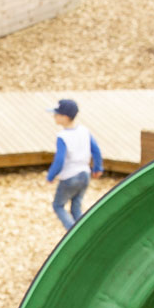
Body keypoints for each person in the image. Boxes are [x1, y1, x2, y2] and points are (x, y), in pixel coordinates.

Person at [46, 97, 104, 232]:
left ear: (65, 117)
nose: (54, 116)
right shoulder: (84, 131)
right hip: (85, 174)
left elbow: (59, 160)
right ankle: (85, 233)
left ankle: (72, 234)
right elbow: (96, 150)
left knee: (58, 206)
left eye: (56, 114)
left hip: (69, 176)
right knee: (76, 206)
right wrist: (97, 168)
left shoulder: (62, 136)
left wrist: (51, 175)